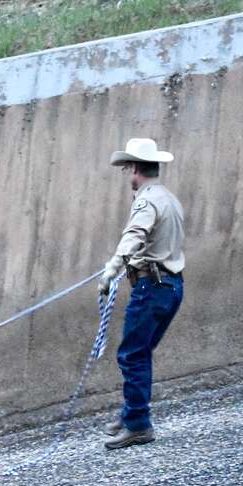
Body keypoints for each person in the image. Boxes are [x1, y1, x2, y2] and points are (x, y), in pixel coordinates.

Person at [98, 138, 185, 450]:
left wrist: (112, 268)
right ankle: (132, 412)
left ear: (134, 168)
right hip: (172, 286)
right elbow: (158, 243)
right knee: (140, 353)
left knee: (132, 354)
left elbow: (136, 235)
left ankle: (138, 425)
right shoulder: (168, 199)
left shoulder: (146, 202)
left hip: (152, 287)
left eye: (127, 169)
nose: (127, 175)